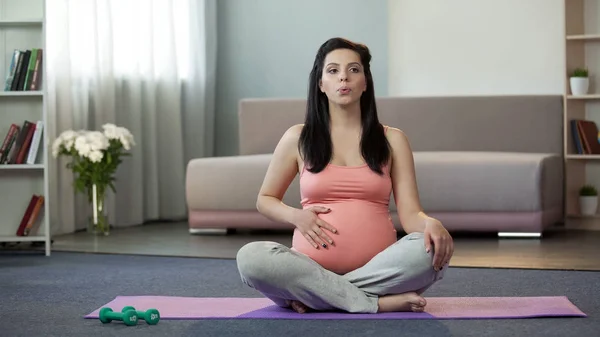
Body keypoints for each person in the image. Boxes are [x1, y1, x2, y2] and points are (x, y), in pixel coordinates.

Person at [236, 37, 454, 314]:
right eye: (333, 70)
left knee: (432, 249)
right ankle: (372, 302)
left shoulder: (393, 139)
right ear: (321, 84)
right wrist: (296, 216)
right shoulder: (297, 138)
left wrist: (430, 224)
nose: (344, 78)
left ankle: (319, 298)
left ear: (365, 82)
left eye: (354, 70)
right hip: (311, 266)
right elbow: (265, 199)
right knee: (251, 258)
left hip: (379, 268)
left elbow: (411, 214)